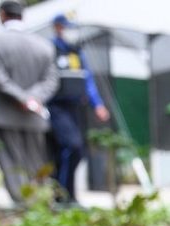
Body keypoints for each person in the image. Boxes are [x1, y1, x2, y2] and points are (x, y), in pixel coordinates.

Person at [0, 0, 58, 203]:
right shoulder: (44, 45)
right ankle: (41, 205)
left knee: (11, 164)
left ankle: (22, 207)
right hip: (34, 115)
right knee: (36, 162)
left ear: (2, 14)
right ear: (22, 15)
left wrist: (21, 97)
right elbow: (51, 80)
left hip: (5, 115)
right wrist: (32, 99)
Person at [48, 13, 110, 204]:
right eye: (67, 27)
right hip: (56, 107)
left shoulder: (77, 52)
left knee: (76, 151)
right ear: (58, 27)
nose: (70, 32)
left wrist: (97, 104)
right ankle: (62, 196)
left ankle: (68, 196)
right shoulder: (50, 49)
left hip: (75, 108)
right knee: (69, 147)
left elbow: (88, 80)